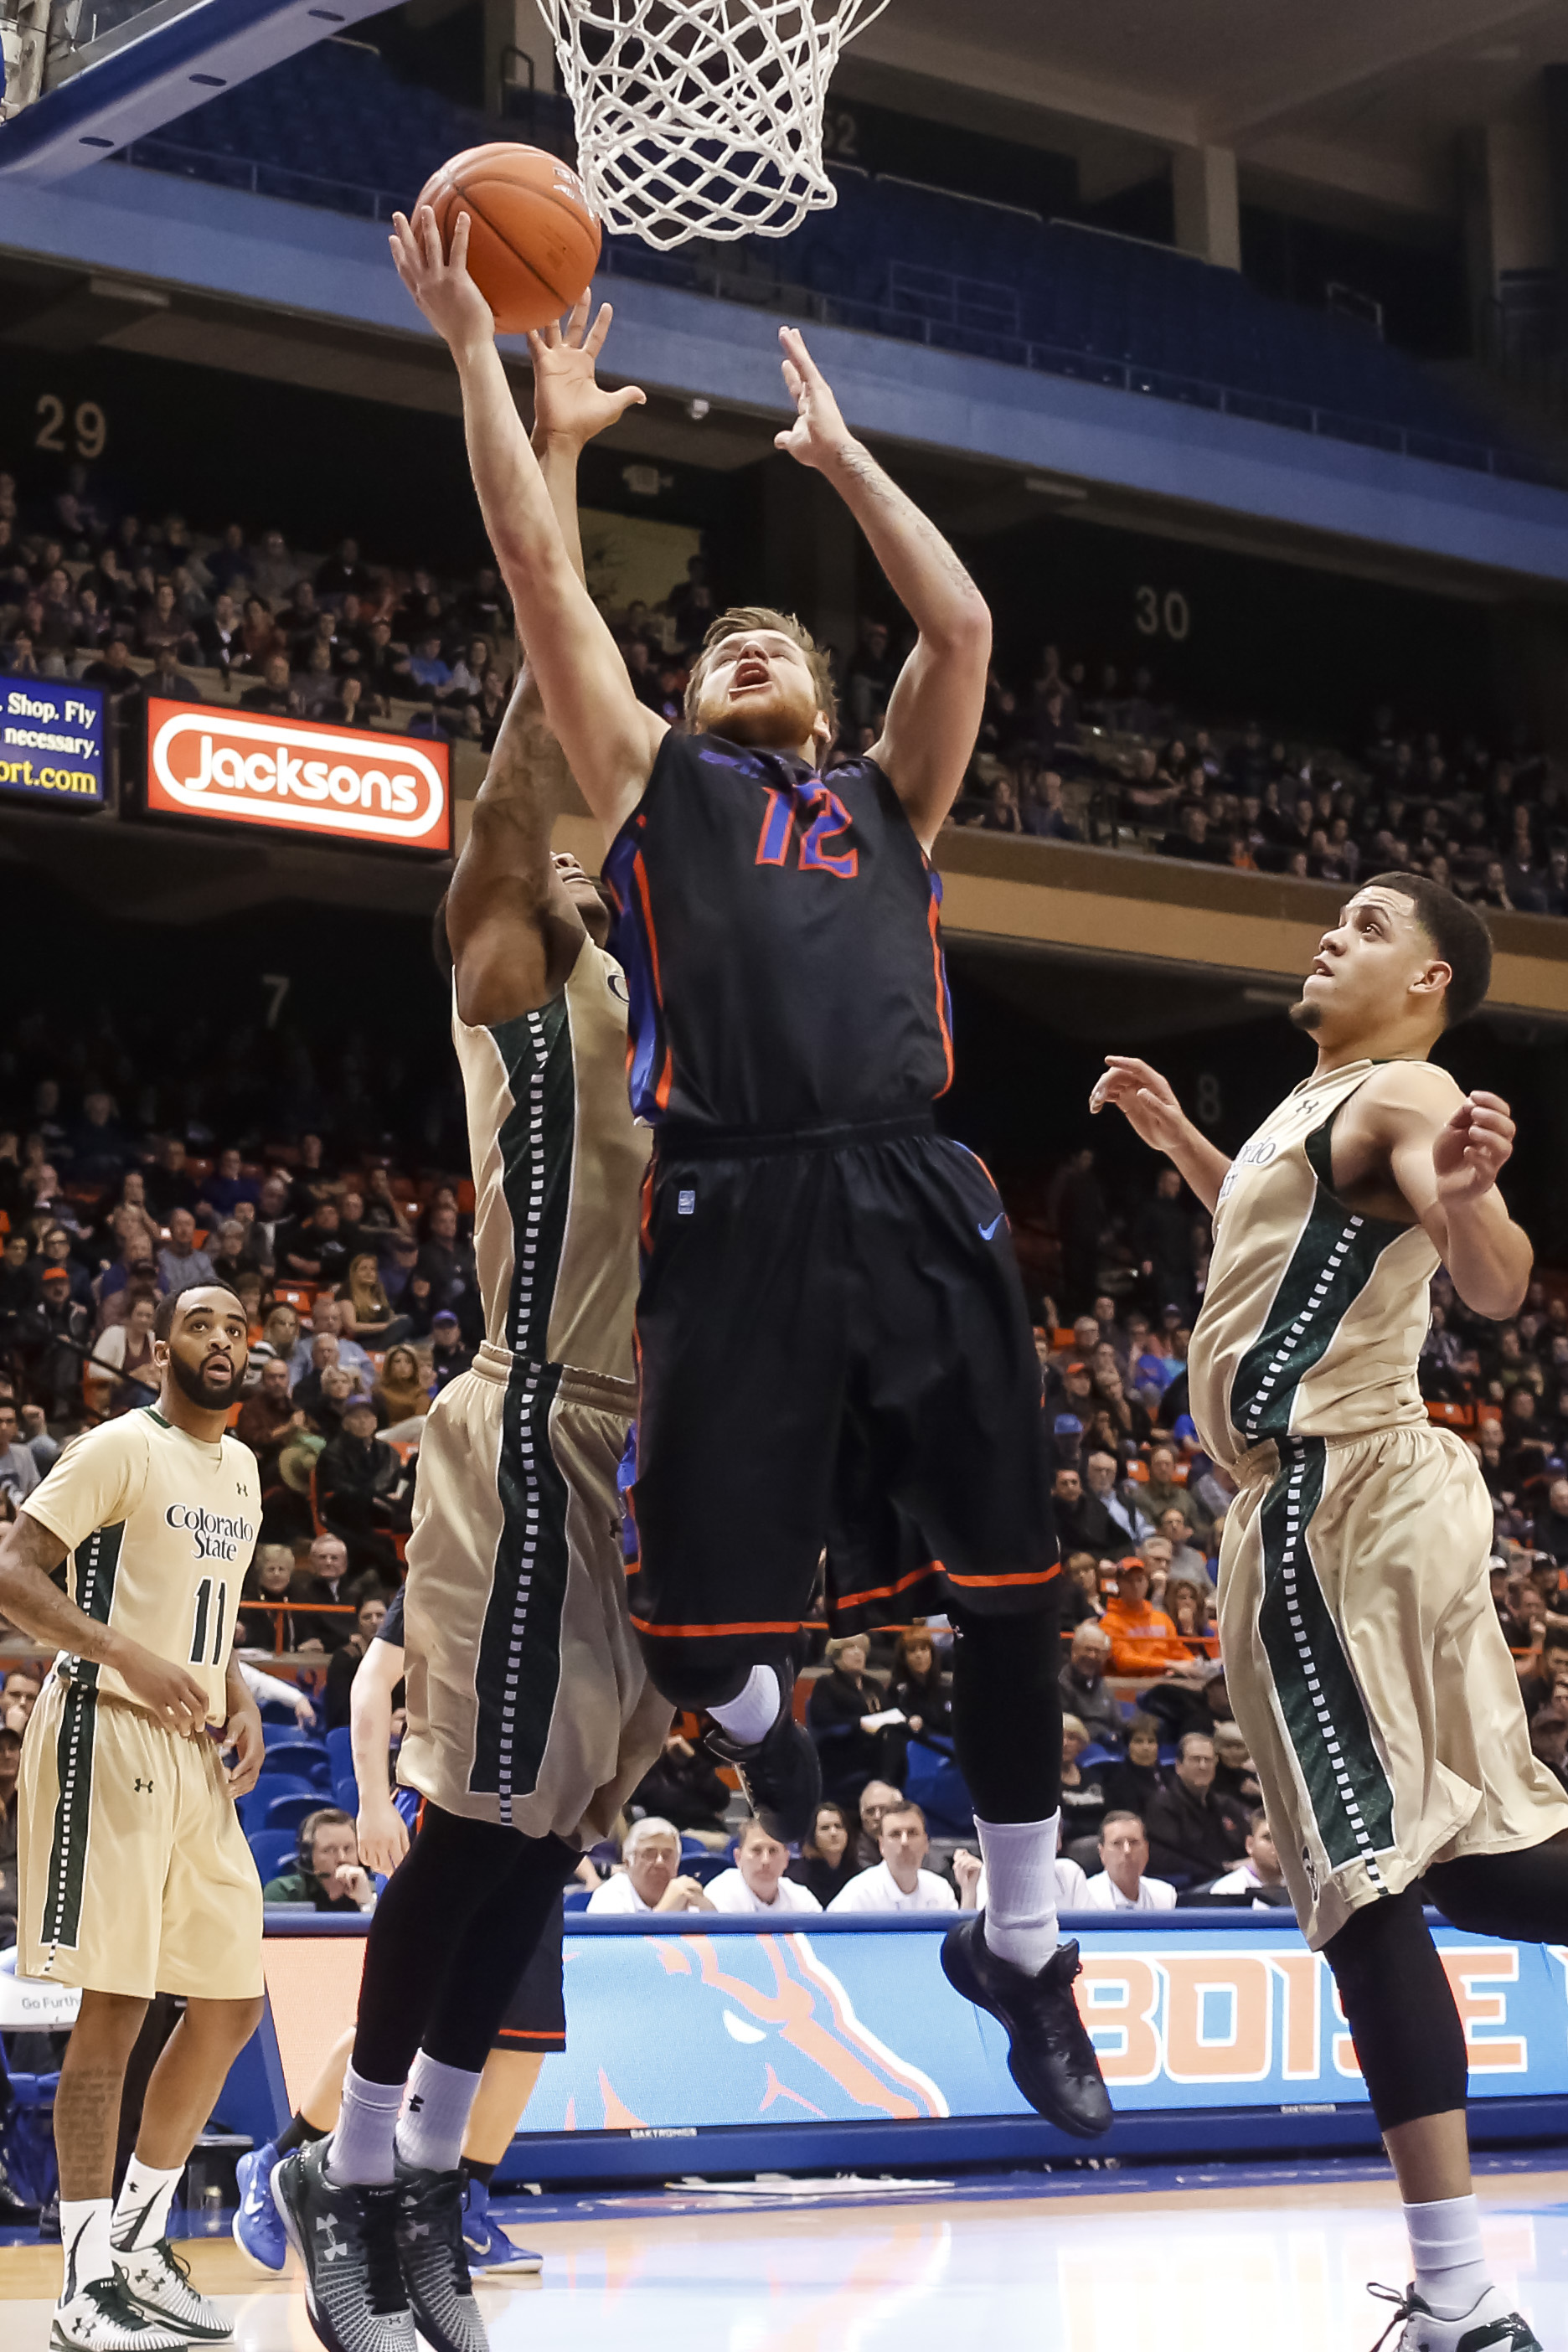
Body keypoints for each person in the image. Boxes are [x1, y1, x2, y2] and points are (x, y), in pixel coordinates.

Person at [388, 205, 1104, 2143]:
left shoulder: (887, 796)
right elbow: (542, 584)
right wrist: (503, 387)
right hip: (728, 1224)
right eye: (709, 647)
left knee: (1016, 1583)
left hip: (906, 1178)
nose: (737, 644)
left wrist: (841, 455)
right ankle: (781, 1774)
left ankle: (1024, 1939)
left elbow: (956, 630)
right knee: (687, 1657)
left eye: (760, 634)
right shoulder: (656, 819)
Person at [273, 302, 673, 2352]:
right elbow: (525, 785)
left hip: (656, 1458)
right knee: (479, 1808)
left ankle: (428, 2168)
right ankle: (334, 2172)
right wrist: (560, 460)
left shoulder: (696, 991)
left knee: (556, 1839)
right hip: (527, 1419)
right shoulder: (523, 967)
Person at [1092, 872, 1568, 2352]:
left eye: (1369, 926)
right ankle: (1454, 2290)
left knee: (1359, 1873)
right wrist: (1186, 1144)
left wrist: (1478, 1205)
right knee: (1479, 1858)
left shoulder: (1406, 1090)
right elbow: (1285, 1226)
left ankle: (1456, 2293)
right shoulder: (1322, 1109)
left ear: (1428, 982)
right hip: (1362, 1498)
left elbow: (1486, 1277)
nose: (1330, 935)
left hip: (1330, 1498)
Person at [0, 1284, 265, 2350]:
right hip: (106, 1725)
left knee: (231, 1999)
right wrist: (126, 1655)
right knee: (114, 2006)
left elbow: (205, 1609)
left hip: (193, 1743)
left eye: (239, 1329)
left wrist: (235, 1685)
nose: (222, 1342)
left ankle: (142, 2248)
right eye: (202, 1325)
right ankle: (80, 2284)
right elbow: (15, 1574)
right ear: (163, 1348)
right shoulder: (118, 1446)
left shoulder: (242, 1471)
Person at [1142, 1732, 1248, 1885]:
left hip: (1232, 1880)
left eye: (1208, 1760)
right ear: (1179, 1766)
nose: (1203, 1766)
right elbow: (1166, 1860)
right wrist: (1225, 1868)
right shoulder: (1162, 1805)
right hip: (1192, 1889)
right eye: (1195, 1759)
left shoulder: (1225, 1804)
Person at [806, 1632, 897, 1804]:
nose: (858, 1653)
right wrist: (859, 1723)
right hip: (842, 1754)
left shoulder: (873, 1685)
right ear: (837, 1655)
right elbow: (822, 1717)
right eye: (851, 1648)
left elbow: (890, 1712)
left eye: (861, 1649)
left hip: (876, 1754)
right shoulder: (827, 1684)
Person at [828, 1798, 957, 1913]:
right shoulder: (859, 1894)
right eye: (895, 1834)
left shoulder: (941, 1889)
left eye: (912, 1833)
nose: (904, 1842)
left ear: (926, 1843)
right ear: (881, 1845)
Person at [585, 1817, 714, 1915]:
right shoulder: (609, 1896)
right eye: (649, 1854)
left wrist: (710, 1914)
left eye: (667, 1855)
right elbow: (622, 1950)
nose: (659, 1862)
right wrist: (666, 1912)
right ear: (628, 1862)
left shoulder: (687, 1892)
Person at [260, 1808, 378, 1913]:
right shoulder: (284, 1893)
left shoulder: (375, 1892)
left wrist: (366, 1904)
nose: (342, 1858)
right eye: (329, 1850)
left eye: (348, 1849)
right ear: (308, 1856)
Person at [706, 1815, 823, 1915]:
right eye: (756, 1850)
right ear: (738, 1858)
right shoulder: (719, 1893)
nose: (766, 1860)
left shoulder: (801, 1897)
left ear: (786, 1859)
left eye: (773, 1850)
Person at [1081, 1813, 1176, 1911]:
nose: (1127, 1850)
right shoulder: (1086, 1897)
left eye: (1134, 1842)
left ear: (1146, 1850)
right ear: (1102, 1853)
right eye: (1117, 1843)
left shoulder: (1165, 1895)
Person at [323, 1593, 389, 1732]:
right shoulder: (344, 1658)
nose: (374, 1621)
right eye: (367, 1617)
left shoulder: (400, 1657)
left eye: (380, 1615)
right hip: (353, 1732)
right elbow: (340, 1713)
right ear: (357, 1623)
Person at [1058, 1622, 1125, 1756]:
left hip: (1110, 1748)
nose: (1092, 1656)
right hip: (1079, 1752)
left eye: (1098, 1651)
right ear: (1074, 1650)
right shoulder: (1062, 1684)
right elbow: (1068, 1728)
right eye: (1088, 1649)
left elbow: (1118, 1724)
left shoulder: (1103, 1686)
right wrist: (1102, 1734)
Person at [1205, 1809, 1292, 1906]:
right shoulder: (1228, 1889)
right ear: (1250, 1845)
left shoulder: (1304, 1888)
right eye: (1268, 1838)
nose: (1277, 1846)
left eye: (1284, 1838)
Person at [788, 1801, 859, 1907]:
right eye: (825, 1828)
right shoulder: (798, 1879)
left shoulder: (859, 1874)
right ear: (812, 1836)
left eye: (838, 1826)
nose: (833, 1833)